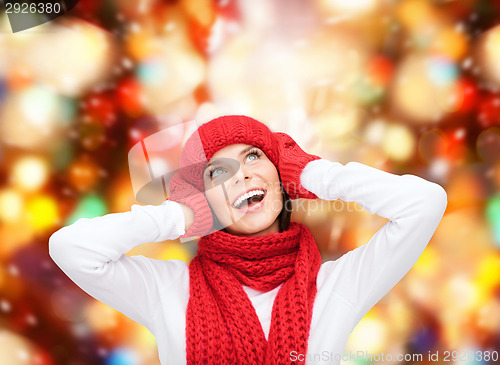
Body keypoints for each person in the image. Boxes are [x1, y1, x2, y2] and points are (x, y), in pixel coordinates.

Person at [49, 115, 448, 364]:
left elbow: (425, 202)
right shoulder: (169, 289)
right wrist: (184, 215)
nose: (241, 175)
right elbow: (70, 249)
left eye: (254, 156)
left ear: (280, 173)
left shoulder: (336, 287)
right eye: (217, 172)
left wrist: (312, 175)